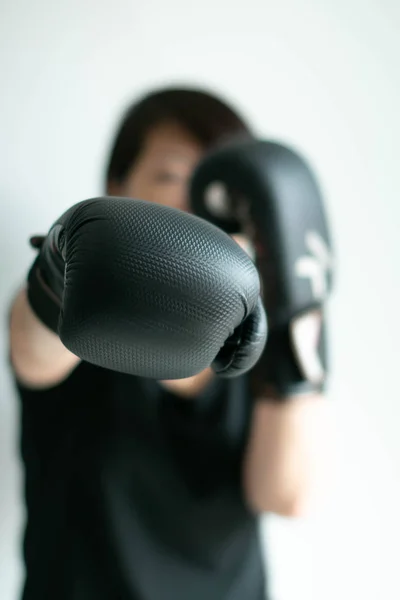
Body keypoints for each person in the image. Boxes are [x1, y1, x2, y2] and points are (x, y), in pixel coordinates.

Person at [8, 87, 330, 600]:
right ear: (118, 185)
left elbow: (285, 494)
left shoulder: (259, 338)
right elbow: (30, 347)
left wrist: (300, 318)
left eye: (219, 194)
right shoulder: (82, 311)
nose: (196, 205)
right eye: (172, 177)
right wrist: (58, 273)